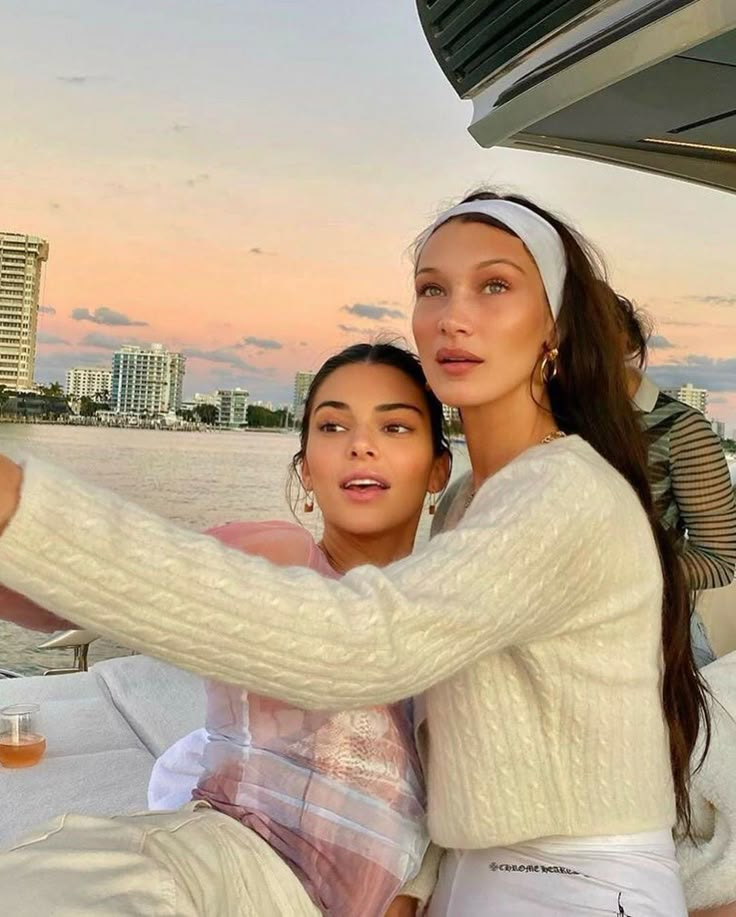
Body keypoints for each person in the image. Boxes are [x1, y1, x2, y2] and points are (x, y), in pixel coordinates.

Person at [0, 190, 712, 915]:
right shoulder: (474, 500)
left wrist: (24, 508)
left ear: (553, 325)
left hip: (570, 891)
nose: (452, 315)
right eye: (431, 289)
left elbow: (361, 643)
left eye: (494, 285)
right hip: (472, 880)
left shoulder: (565, 492)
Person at [0, 342, 451, 917]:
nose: (361, 445)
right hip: (230, 864)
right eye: (333, 425)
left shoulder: (450, 614)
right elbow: (88, 594)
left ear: (439, 468)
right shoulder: (274, 558)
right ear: (306, 470)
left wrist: (417, 886)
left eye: (394, 426)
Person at [615, 294, 736, 667]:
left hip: (652, 643)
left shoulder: (682, 429)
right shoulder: (554, 418)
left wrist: (620, 579)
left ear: (628, 343)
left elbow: (720, 559)